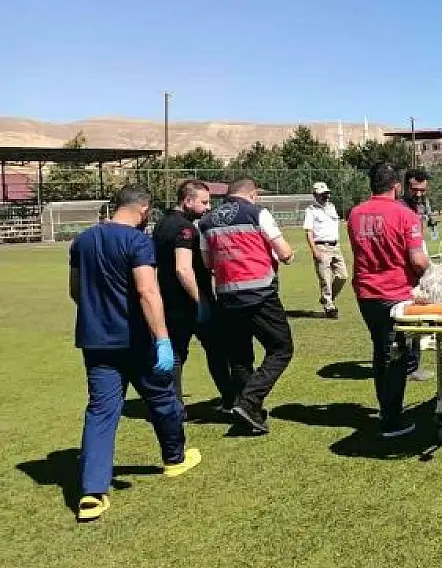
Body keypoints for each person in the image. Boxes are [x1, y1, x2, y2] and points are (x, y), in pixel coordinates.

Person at [68, 184, 202, 521]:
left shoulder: (82, 241)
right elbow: (147, 291)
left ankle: (92, 493)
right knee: (163, 400)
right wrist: (163, 339)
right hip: (136, 341)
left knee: (100, 412)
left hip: (96, 342)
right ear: (144, 209)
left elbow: (75, 291)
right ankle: (174, 459)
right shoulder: (138, 241)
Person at [198, 177, 296, 434]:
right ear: (252, 194)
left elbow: (208, 263)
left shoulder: (206, 220)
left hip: (227, 297)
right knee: (281, 348)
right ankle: (249, 401)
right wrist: (287, 256)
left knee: (240, 357)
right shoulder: (257, 213)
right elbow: (284, 252)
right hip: (260, 293)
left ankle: (248, 412)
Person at [347, 162, 431, 438]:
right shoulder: (405, 215)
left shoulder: (355, 214)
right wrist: (432, 274)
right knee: (397, 355)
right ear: (396, 186)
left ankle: (386, 409)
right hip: (395, 293)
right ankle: (391, 418)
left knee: (380, 351)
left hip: (366, 293)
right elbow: (418, 260)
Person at [152, 179, 233, 414]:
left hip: (169, 300)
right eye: (204, 202)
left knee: (177, 353)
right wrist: (201, 301)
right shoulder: (185, 229)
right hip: (190, 301)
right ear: (187, 201)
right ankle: (230, 398)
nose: (208, 207)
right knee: (216, 348)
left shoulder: (162, 225)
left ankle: (173, 405)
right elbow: (183, 268)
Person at [400, 168, 437, 381]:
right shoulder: (401, 207)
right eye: (415, 189)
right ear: (406, 186)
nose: (420, 193)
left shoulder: (419, 205)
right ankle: (409, 367)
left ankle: (412, 364)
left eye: (423, 190)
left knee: (417, 318)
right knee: (411, 319)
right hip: (408, 269)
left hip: (418, 261)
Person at [302, 181, 347, 319]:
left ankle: (327, 298)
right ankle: (329, 307)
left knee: (343, 276)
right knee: (325, 280)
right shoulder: (311, 211)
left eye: (327, 194)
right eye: (323, 194)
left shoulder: (332, 207)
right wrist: (314, 251)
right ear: (315, 195)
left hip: (335, 246)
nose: (326, 197)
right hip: (321, 246)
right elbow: (308, 232)